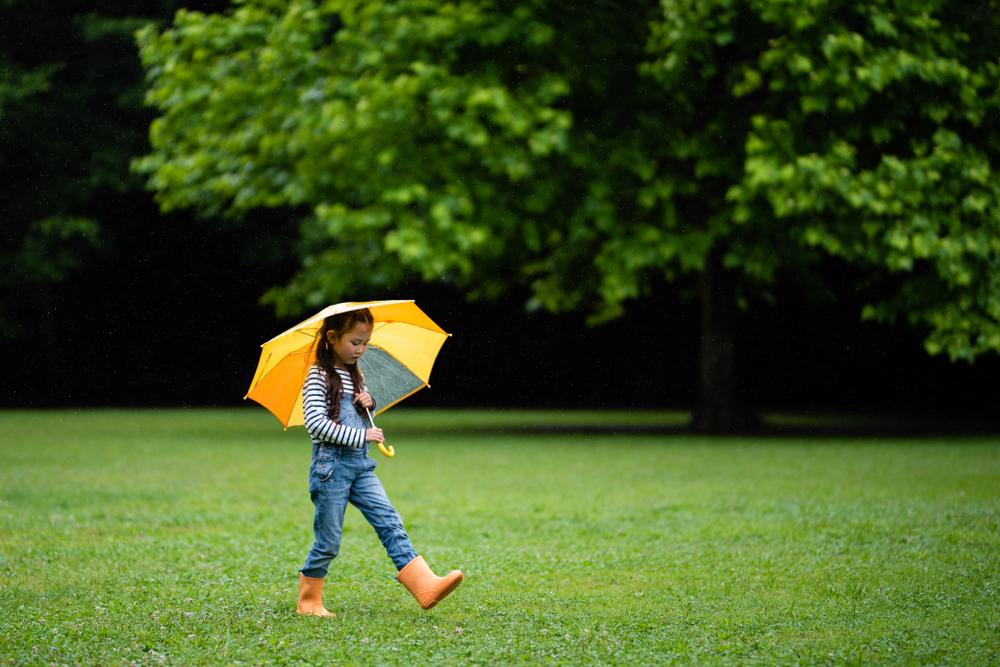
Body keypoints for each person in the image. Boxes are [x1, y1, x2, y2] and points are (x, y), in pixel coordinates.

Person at [296, 307, 463, 616]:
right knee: (329, 540)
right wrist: (363, 436)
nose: (361, 349)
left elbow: (359, 416)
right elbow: (316, 424)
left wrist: (367, 403)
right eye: (355, 342)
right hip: (330, 469)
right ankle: (309, 600)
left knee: (388, 518)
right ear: (332, 338)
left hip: (361, 467)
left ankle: (425, 585)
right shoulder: (317, 376)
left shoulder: (355, 375)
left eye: (366, 343)